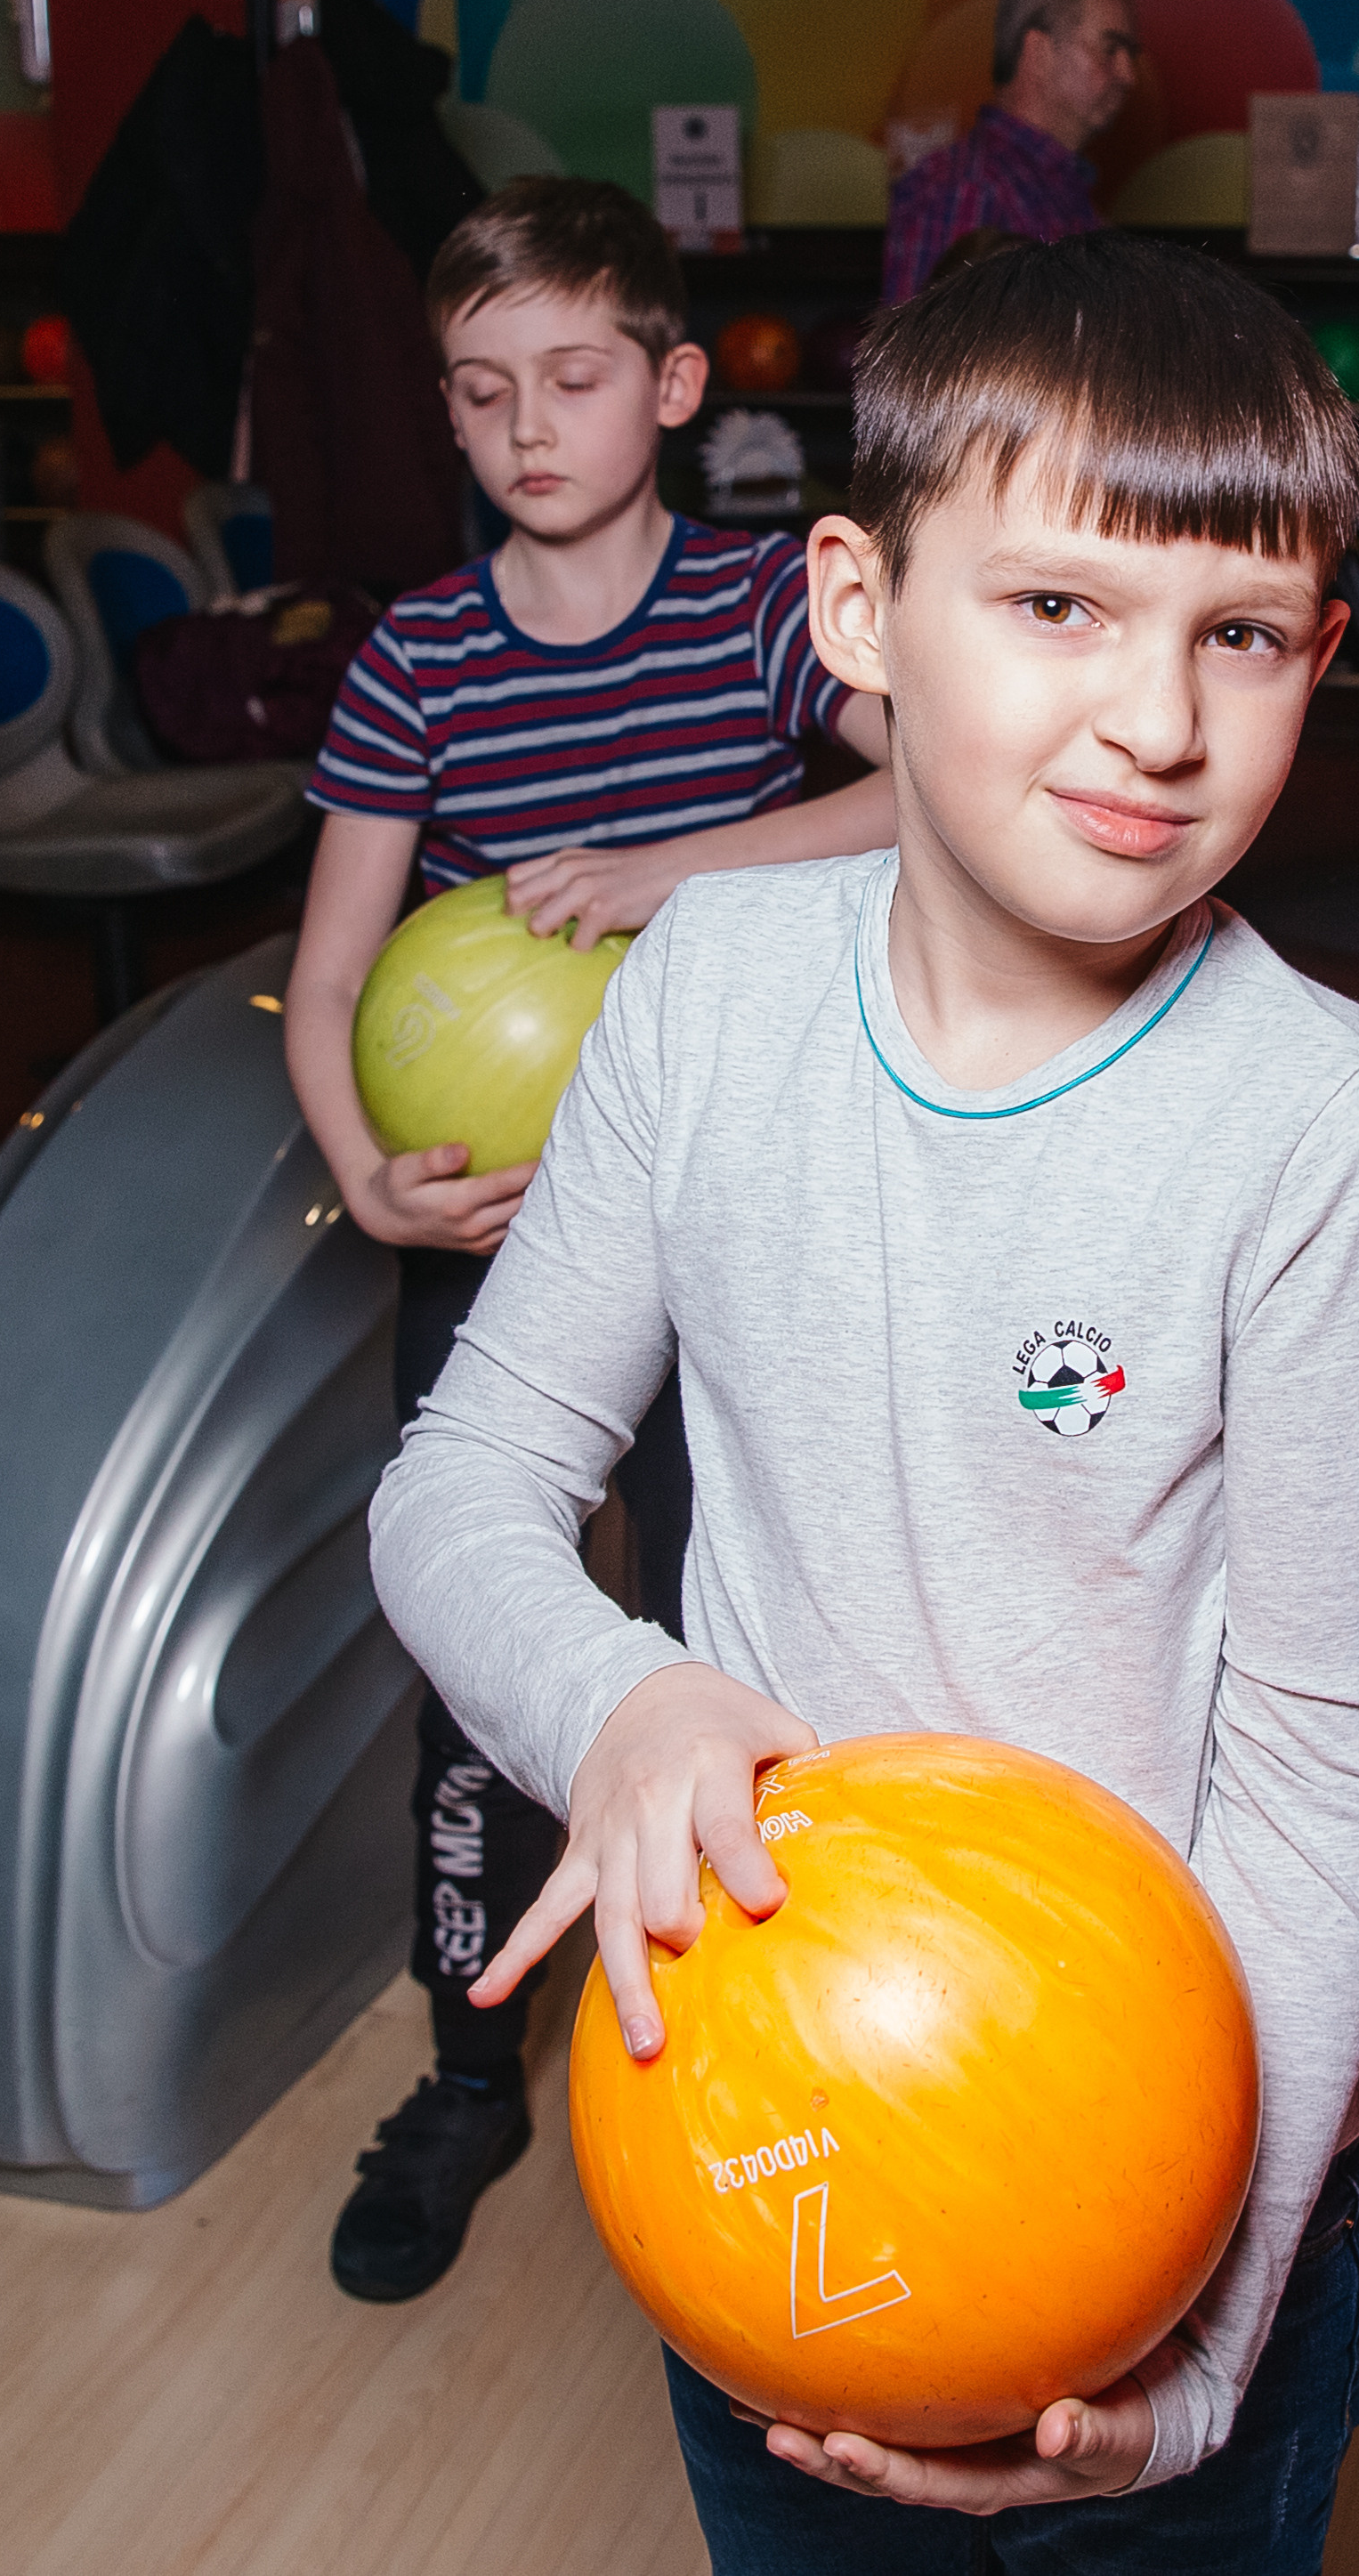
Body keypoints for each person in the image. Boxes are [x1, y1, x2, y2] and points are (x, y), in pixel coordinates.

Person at [369, 231, 1359, 2569]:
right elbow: (466, 1476)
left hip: (1173, 2172)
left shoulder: (1326, 1136)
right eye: (1059, 607)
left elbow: (1318, 1771)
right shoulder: (706, 991)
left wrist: (1192, 2356)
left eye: (1243, 633)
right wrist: (619, 1695)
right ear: (858, 613)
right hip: (776, 2129)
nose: (1160, 720)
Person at [285, 174, 894, 2305]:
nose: (524, 425)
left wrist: (667, 870)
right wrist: (364, 1167)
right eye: (478, 391)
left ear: (668, 380)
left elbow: (926, 793)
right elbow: (341, 951)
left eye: (568, 377)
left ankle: (791, 2029)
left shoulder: (762, 611)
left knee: (758, 1632)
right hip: (503, 1253)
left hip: (742, 1227)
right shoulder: (418, 654)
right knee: (484, 1651)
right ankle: (468, 2065)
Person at [882, 0, 1139, 304]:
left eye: (1130, 54)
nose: (1128, 75)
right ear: (1039, 53)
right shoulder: (968, 190)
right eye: (1110, 49)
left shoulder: (1061, 191)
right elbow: (935, 354)